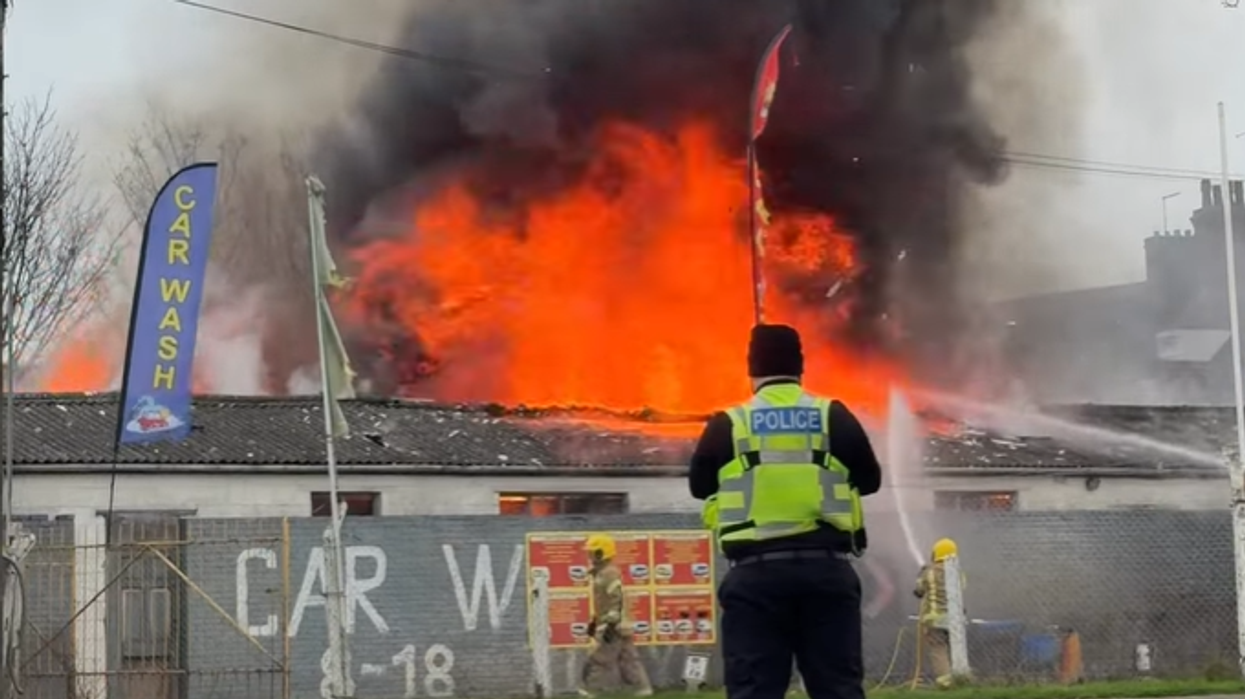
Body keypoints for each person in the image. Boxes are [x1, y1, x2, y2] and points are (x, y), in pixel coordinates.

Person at [689, 324, 883, 699]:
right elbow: (869, 479)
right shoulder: (833, 415)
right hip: (826, 573)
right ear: (800, 367)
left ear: (751, 369)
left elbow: (700, 487)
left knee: (754, 691)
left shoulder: (729, 423)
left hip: (754, 579)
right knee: (839, 689)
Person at [579, 533, 653, 698]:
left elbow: (616, 598)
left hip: (613, 624)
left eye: (592, 552)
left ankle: (592, 691)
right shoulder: (602, 573)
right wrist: (594, 621)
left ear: (601, 553)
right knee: (629, 659)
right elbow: (604, 602)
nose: (589, 555)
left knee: (600, 658)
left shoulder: (608, 573)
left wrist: (610, 624)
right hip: (619, 624)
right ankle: (642, 689)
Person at [914, 538, 967, 689]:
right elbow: (961, 588)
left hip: (935, 619)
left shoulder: (929, 572)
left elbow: (919, 591)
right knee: (956, 648)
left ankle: (946, 683)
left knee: (938, 649)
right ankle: (961, 677)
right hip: (956, 619)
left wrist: (921, 574)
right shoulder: (958, 573)